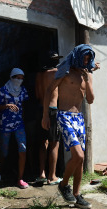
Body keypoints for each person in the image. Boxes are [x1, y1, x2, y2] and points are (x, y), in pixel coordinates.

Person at [42, 44, 99, 209]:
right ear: (77, 56)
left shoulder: (86, 75)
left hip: (79, 118)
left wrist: (88, 78)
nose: (86, 61)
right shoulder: (65, 71)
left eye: (89, 58)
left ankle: (76, 195)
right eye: (84, 58)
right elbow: (49, 90)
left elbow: (91, 100)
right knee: (79, 156)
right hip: (64, 115)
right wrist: (45, 115)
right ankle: (63, 184)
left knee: (79, 161)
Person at [0, 68, 29, 189]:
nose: (19, 80)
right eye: (17, 77)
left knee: (23, 149)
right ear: (11, 77)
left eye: (21, 78)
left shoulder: (23, 90)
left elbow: (24, 106)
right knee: (3, 152)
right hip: (5, 125)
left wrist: (23, 120)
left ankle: (20, 179)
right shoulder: (3, 90)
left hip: (19, 124)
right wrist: (6, 106)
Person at [35, 51, 63, 185]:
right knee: (54, 143)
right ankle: (52, 176)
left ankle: (42, 174)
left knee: (43, 142)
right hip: (52, 110)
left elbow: (36, 94)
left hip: (39, 109)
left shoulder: (39, 76)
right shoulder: (57, 73)